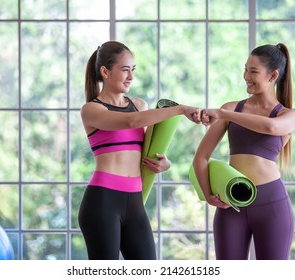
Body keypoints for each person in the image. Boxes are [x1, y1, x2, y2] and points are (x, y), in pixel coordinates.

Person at [79, 40, 213, 260]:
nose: (131, 76)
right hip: (102, 201)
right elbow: (131, 122)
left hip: (134, 201)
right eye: (125, 70)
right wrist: (180, 109)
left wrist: (164, 163)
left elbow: (145, 148)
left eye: (133, 70)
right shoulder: (92, 109)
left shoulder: (139, 104)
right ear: (105, 71)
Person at [193, 43, 295, 260]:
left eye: (253, 71)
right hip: (232, 203)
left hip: (272, 205)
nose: (246, 76)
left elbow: (270, 127)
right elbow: (201, 158)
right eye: (245, 69)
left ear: (273, 76)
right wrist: (208, 195)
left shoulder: (289, 115)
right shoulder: (232, 108)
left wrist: (223, 114)